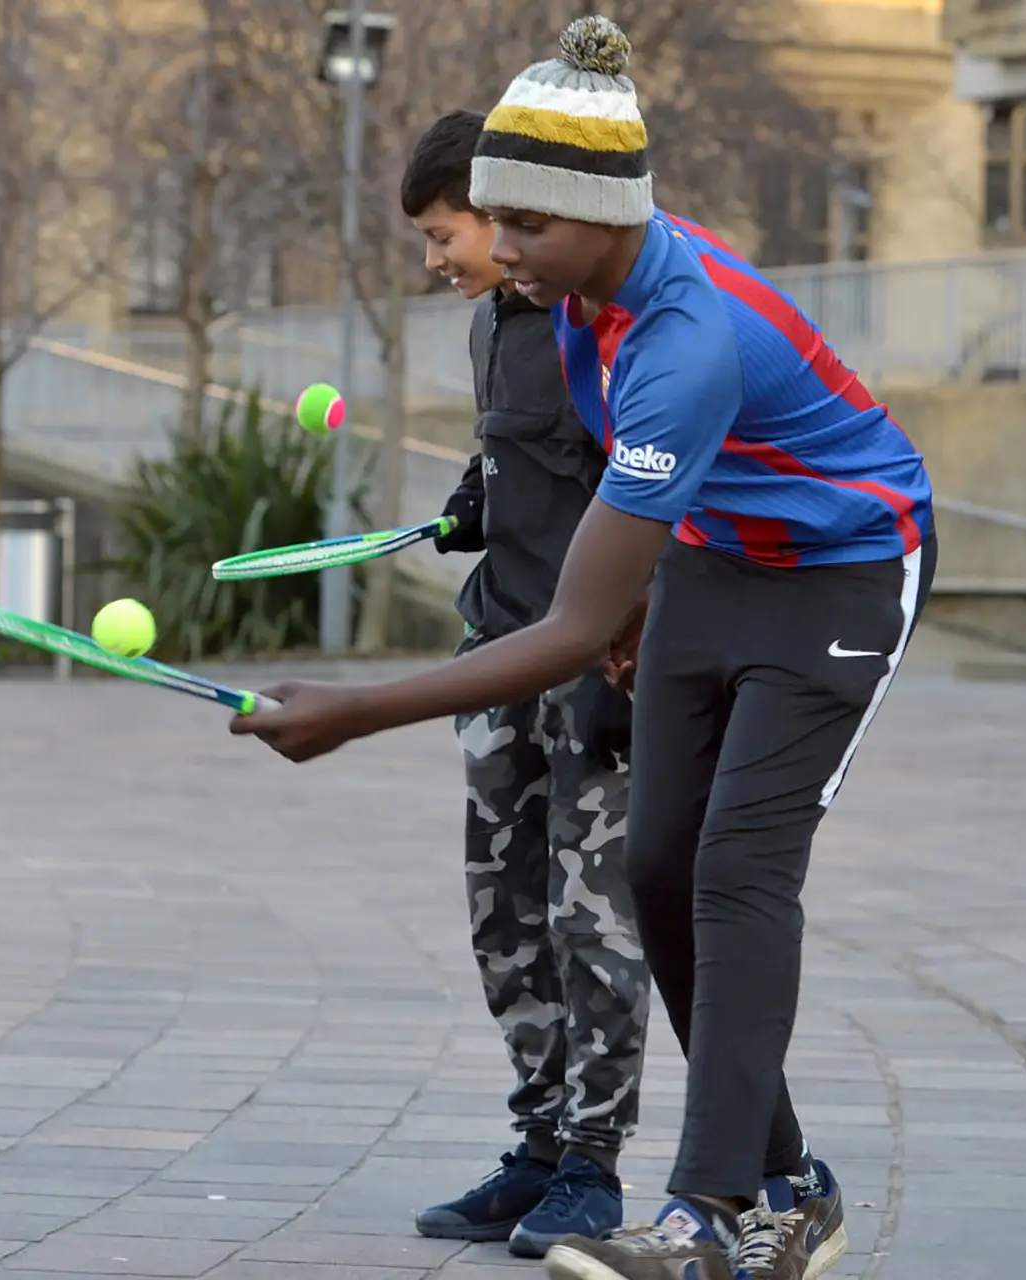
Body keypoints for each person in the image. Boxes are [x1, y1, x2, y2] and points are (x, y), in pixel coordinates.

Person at [230, 16, 936, 1280]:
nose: (499, 249)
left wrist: (353, 706)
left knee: (735, 871)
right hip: (717, 556)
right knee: (659, 868)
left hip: (843, 563)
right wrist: (639, 608)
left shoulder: (685, 338)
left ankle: (711, 1216)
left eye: (525, 225)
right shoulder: (570, 301)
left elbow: (562, 628)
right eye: (492, 221)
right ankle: (793, 1185)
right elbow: (617, 537)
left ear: (604, 213)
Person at [399, 108, 648, 1257]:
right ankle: (540, 1141)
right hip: (497, 657)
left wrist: (627, 660)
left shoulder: (607, 325)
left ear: (505, 215)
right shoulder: (497, 323)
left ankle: (593, 1164)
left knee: (592, 920)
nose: (437, 257)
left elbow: (649, 492)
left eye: (445, 232)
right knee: (503, 915)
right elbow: (519, 448)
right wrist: (474, 494)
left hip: (597, 668)